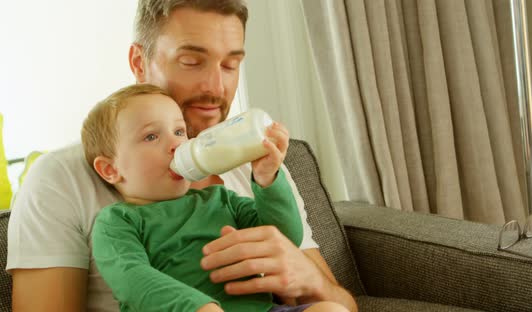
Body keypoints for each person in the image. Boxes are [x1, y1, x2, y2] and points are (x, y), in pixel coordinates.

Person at [7, 1, 358, 311]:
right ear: (139, 62)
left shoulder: (255, 170)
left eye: (230, 65)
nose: (216, 88)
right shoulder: (62, 179)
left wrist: (308, 277)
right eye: (191, 61)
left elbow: (341, 304)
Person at [83, 83, 346, 312]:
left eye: (179, 132)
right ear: (110, 169)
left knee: (332, 310)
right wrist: (198, 307)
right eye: (151, 136)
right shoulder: (117, 221)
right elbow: (132, 279)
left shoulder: (220, 199)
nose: (176, 145)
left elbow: (284, 237)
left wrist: (267, 180)